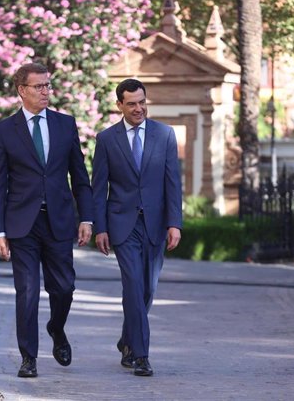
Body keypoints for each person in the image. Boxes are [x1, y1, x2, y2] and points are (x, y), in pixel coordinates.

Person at [0, 62, 94, 378]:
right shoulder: (5, 130)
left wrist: (86, 217)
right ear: (22, 90)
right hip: (23, 224)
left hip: (59, 221)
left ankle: (56, 328)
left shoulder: (65, 124)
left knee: (64, 287)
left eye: (48, 85)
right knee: (28, 291)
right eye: (39, 86)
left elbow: (79, 175)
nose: (46, 91)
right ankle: (28, 357)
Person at [92, 78, 182, 377]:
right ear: (119, 105)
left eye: (142, 102)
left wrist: (174, 223)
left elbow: (173, 183)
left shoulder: (165, 135)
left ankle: (127, 340)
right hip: (122, 225)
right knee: (133, 285)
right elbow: (98, 188)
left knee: (147, 290)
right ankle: (141, 356)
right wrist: (100, 228)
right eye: (131, 104)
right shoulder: (106, 140)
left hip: (155, 224)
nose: (138, 108)